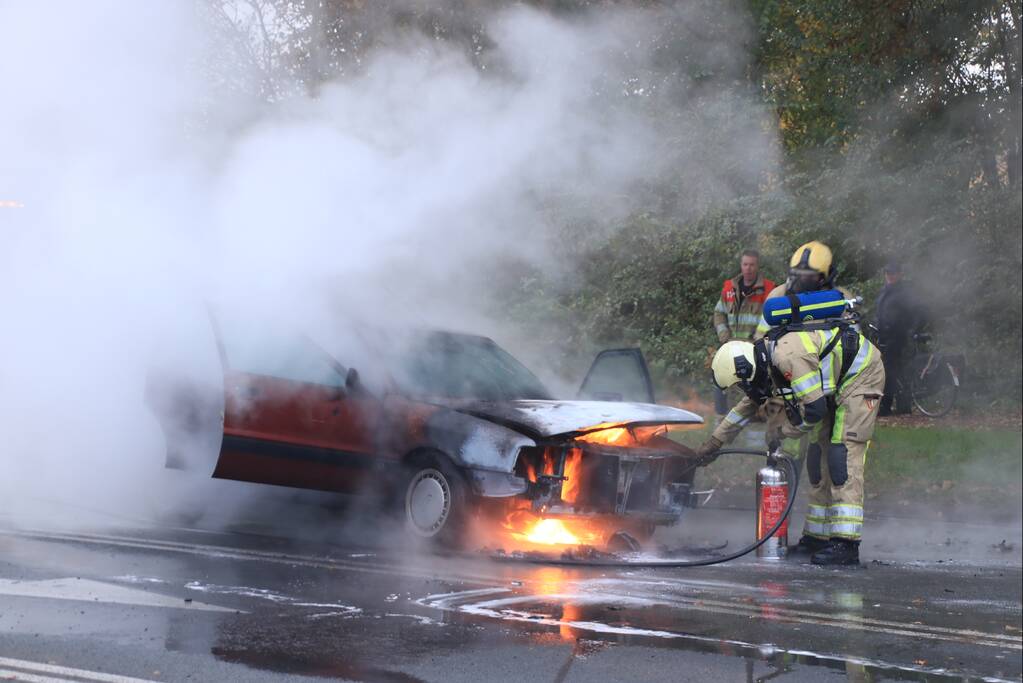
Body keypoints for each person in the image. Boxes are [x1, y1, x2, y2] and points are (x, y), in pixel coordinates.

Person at [703, 319, 885, 566]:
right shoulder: (765, 361)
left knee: (841, 455)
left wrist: (784, 431)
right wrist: (713, 443)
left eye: (739, 384)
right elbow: (744, 409)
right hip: (834, 386)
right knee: (816, 457)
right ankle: (817, 538)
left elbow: (814, 411)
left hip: (861, 377)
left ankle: (846, 544)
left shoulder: (787, 357)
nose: (743, 389)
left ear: (745, 370)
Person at [711, 250, 775, 414]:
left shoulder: (768, 290)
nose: (748, 268)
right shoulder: (730, 289)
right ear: (741, 265)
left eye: (752, 264)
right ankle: (721, 419)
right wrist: (724, 336)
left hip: (755, 347)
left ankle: (755, 423)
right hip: (730, 344)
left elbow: (771, 317)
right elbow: (719, 313)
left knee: (755, 386)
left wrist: (759, 340)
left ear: (757, 265)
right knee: (720, 379)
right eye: (745, 264)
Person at [874, 262, 923, 416]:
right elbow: (882, 312)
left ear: (900, 274)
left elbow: (915, 313)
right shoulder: (886, 291)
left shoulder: (905, 292)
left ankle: (885, 406)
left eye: (893, 273)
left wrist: (910, 330)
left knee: (889, 370)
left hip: (897, 336)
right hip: (884, 336)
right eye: (888, 273)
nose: (890, 276)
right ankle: (903, 405)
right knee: (896, 371)